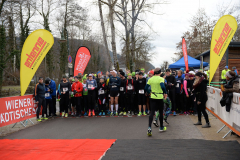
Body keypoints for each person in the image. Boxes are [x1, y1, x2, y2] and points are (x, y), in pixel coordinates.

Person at [145, 68, 167, 136]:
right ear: (160, 73)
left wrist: (149, 93)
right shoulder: (161, 78)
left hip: (152, 96)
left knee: (152, 112)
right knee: (160, 112)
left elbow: (146, 88)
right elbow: (162, 86)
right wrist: (165, 92)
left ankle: (149, 128)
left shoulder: (150, 79)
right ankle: (161, 127)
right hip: (160, 97)